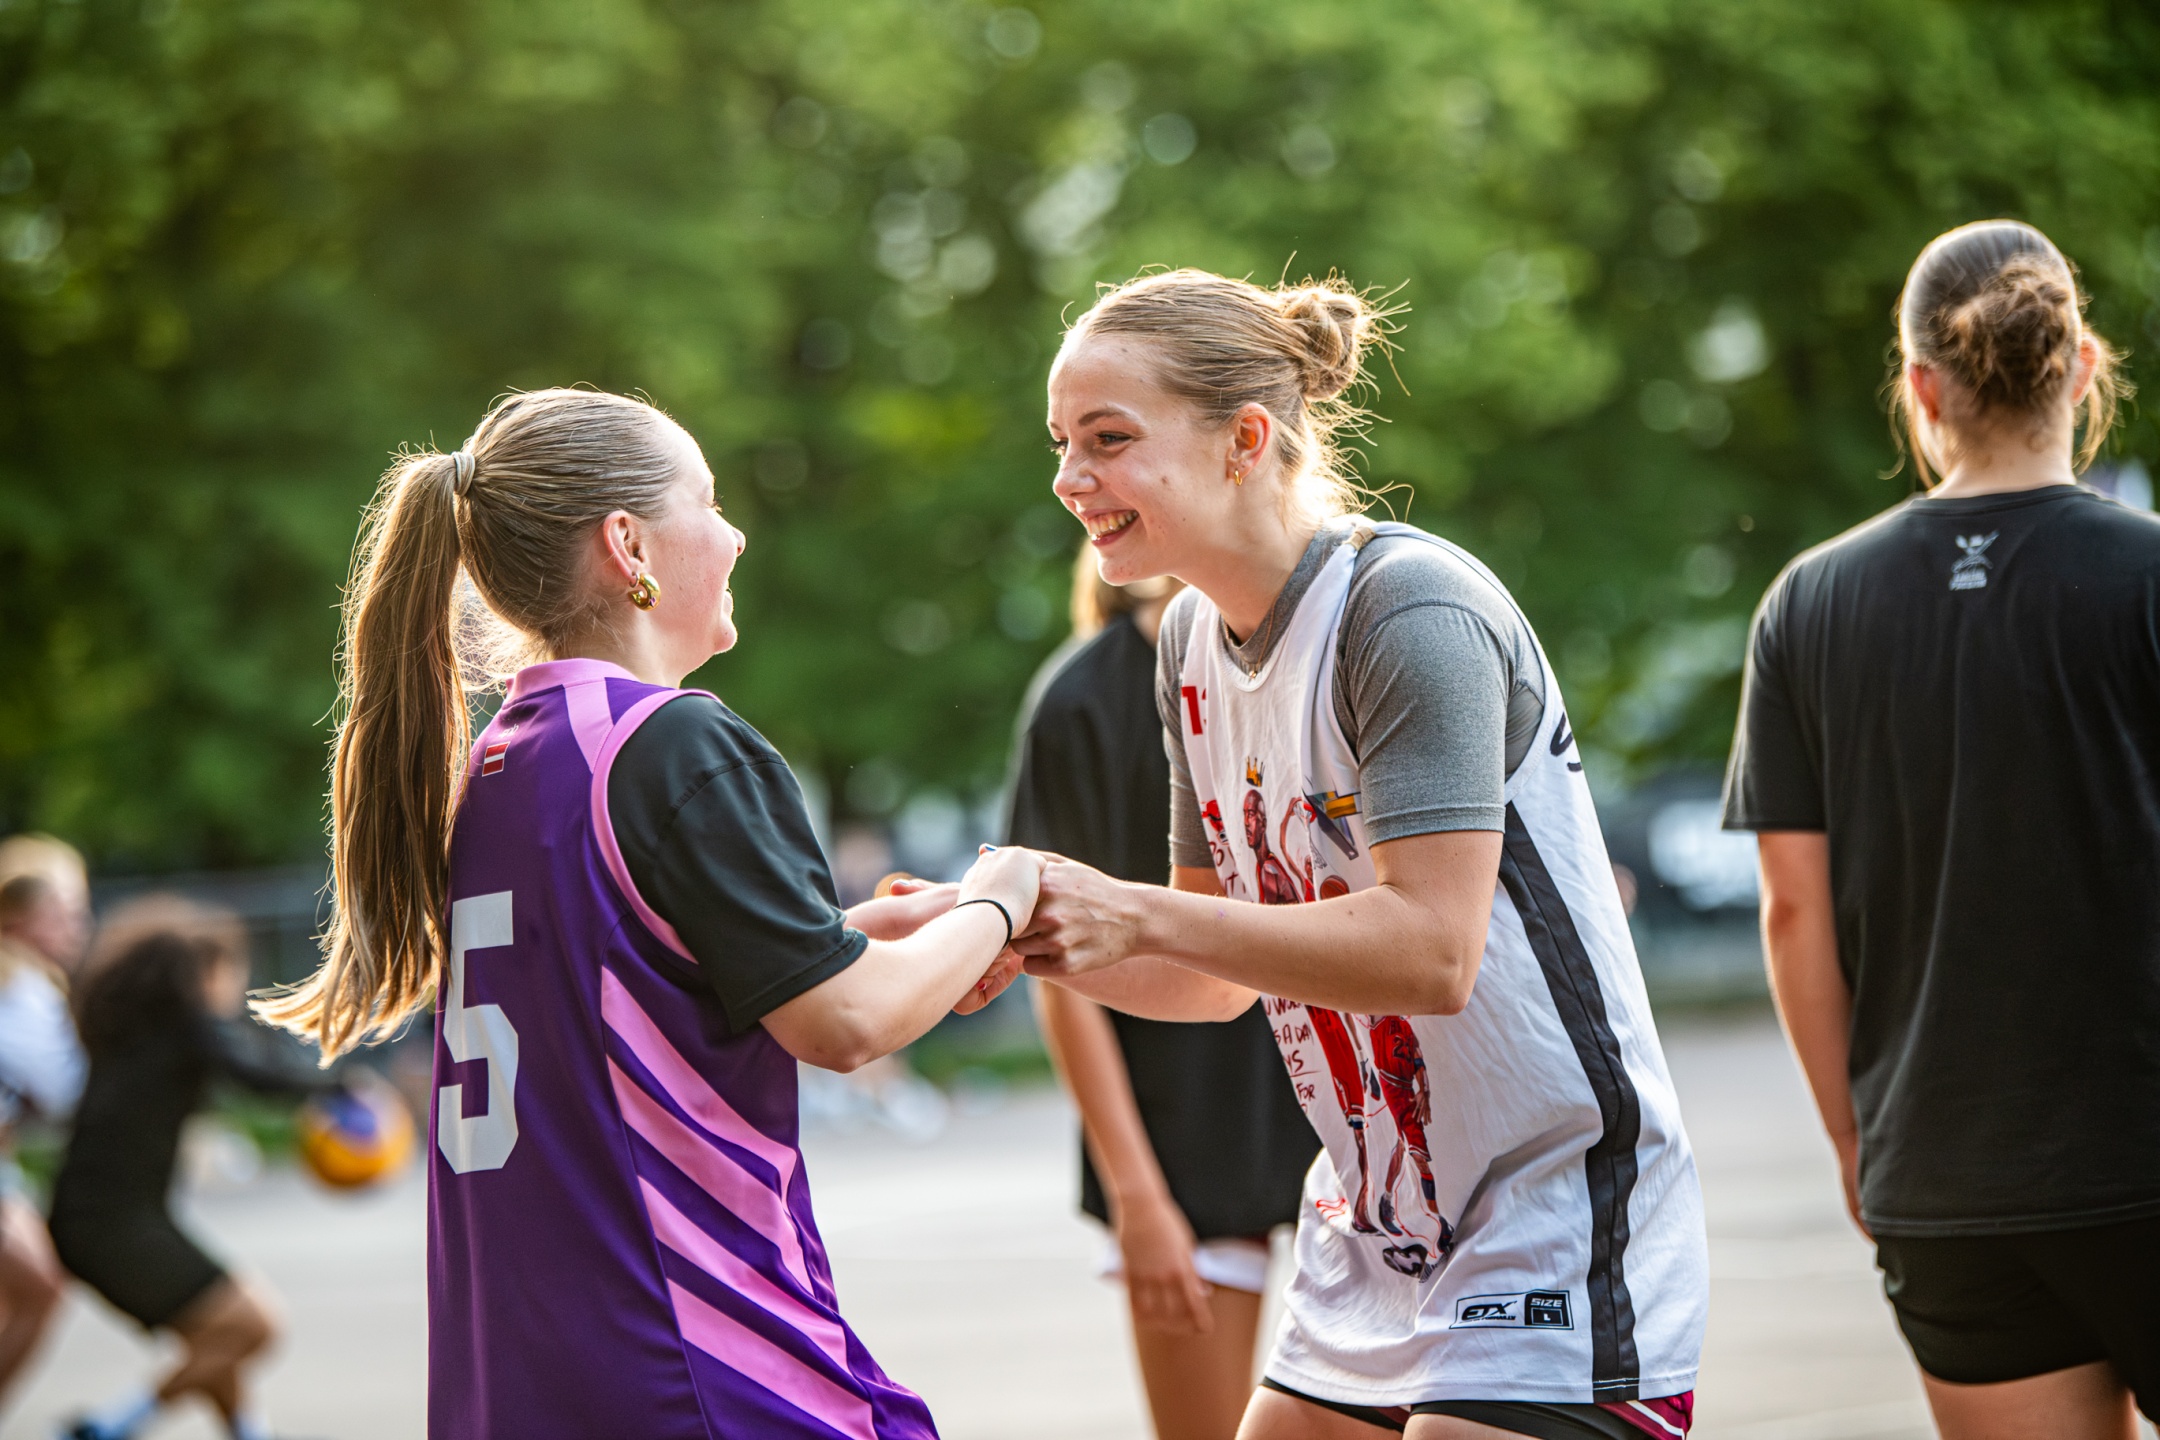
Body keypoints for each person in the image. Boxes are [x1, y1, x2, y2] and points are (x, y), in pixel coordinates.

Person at [255, 388, 1040, 1440]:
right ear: (628, 545)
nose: (736, 533)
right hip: (697, 1365)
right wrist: (999, 901)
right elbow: (845, 1023)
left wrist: (858, 934)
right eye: (707, 501)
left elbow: (632, 976)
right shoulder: (671, 744)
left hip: (527, 1387)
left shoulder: (500, 764)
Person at [1016, 269, 1707, 1440]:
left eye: (1108, 439)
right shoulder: (1187, 643)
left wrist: (1131, 912)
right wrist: (1012, 930)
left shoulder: (1406, 609)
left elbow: (1433, 951)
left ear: (1245, 440)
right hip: (1377, 1225)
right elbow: (1211, 980)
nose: (1069, 477)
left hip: (1551, 1209)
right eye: (1062, 443)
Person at [1722, 219, 2157, 1440]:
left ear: (1920, 387)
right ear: (2081, 368)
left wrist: (1854, 1138)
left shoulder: (1808, 603)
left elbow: (1793, 909)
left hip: (1947, 1179)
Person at [1013, 544, 1319, 1440]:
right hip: (1186, 1140)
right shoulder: (1081, 701)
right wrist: (1137, 1198)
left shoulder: (1326, 645)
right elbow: (1058, 972)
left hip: (1347, 1119)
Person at [48, 896, 337, 1440]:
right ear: (206, 971)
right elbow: (257, 1074)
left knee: (216, 1338)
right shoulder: (186, 1028)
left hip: (94, 1220)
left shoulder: (135, 1033)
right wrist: (339, 1087)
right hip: (112, 1226)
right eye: (234, 971)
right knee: (256, 1326)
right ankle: (103, 1429)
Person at [0, 839, 90, 1414]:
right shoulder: (21, 987)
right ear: (18, 920)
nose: (79, 929)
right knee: (41, 1288)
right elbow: (65, 1091)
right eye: (64, 913)